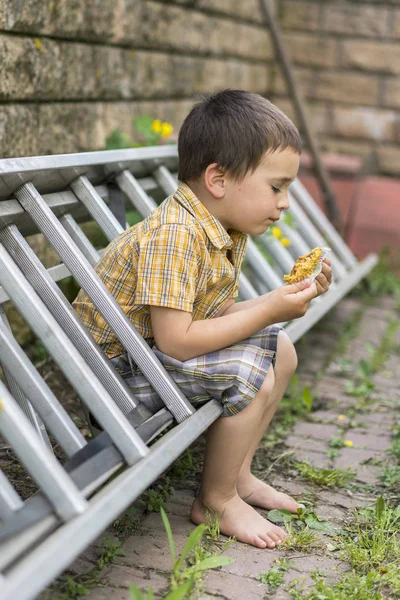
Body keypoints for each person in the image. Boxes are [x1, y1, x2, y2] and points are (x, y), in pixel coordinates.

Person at [73, 90, 332, 549]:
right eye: (277, 187)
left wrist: (281, 299)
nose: (287, 202)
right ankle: (216, 499)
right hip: (117, 379)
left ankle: (239, 476)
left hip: (151, 358)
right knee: (249, 373)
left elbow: (210, 316)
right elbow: (177, 341)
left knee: (282, 350)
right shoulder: (175, 235)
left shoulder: (220, 227)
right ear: (219, 179)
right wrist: (270, 309)